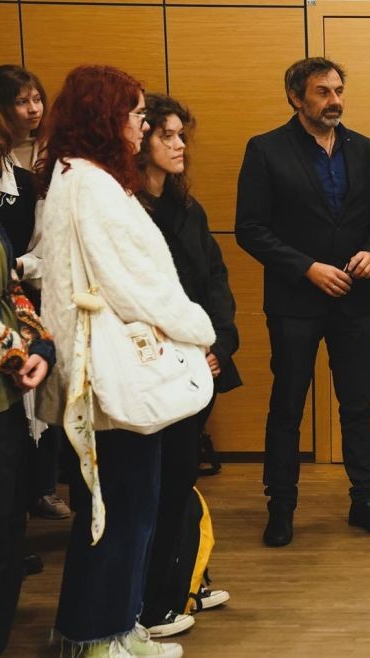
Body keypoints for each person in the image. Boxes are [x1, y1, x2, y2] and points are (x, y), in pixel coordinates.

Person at [35, 64, 214, 658]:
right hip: (113, 376)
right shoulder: (93, 186)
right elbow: (136, 284)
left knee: (117, 509)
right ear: (107, 117)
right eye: (136, 114)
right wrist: (197, 329)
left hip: (98, 372)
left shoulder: (74, 175)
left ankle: (109, 626)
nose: (142, 125)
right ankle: (100, 636)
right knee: (124, 513)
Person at [236, 57, 370, 547]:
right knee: (288, 407)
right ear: (295, 97)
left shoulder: (364, 149)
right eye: (323, 92)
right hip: (294, 303)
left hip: (355, 301)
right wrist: (307, 267)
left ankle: (365, 500)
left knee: (358, 406)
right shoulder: (265, 149)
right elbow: (250, 229)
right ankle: (281, 507)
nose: (335, 101)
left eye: (339, 90)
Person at [136, 92, 238, 637]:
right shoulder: (127, 209)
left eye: (182, 136)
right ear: (139, 141)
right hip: (157, 365)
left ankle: (182, 585)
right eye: (167, 136)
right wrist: (193, 347)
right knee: (159, 486)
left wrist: (219, 343)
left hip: (201, 363)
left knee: (181, 480)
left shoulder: (187, 207)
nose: (180, 146)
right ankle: (152, 604)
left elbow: (214, 279)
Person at [0, 64, 72, 523]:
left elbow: (44, 248)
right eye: (21, 101)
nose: (33, 109)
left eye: (37, 99)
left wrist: (18, 272)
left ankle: (35, 493)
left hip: (23, 301)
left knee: (33, 402)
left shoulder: (28, 180)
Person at [0, 108, 55, 658]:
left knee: (8, 523)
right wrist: (16, 351)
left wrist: (38, 344)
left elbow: (9, 290)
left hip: (5, 396)